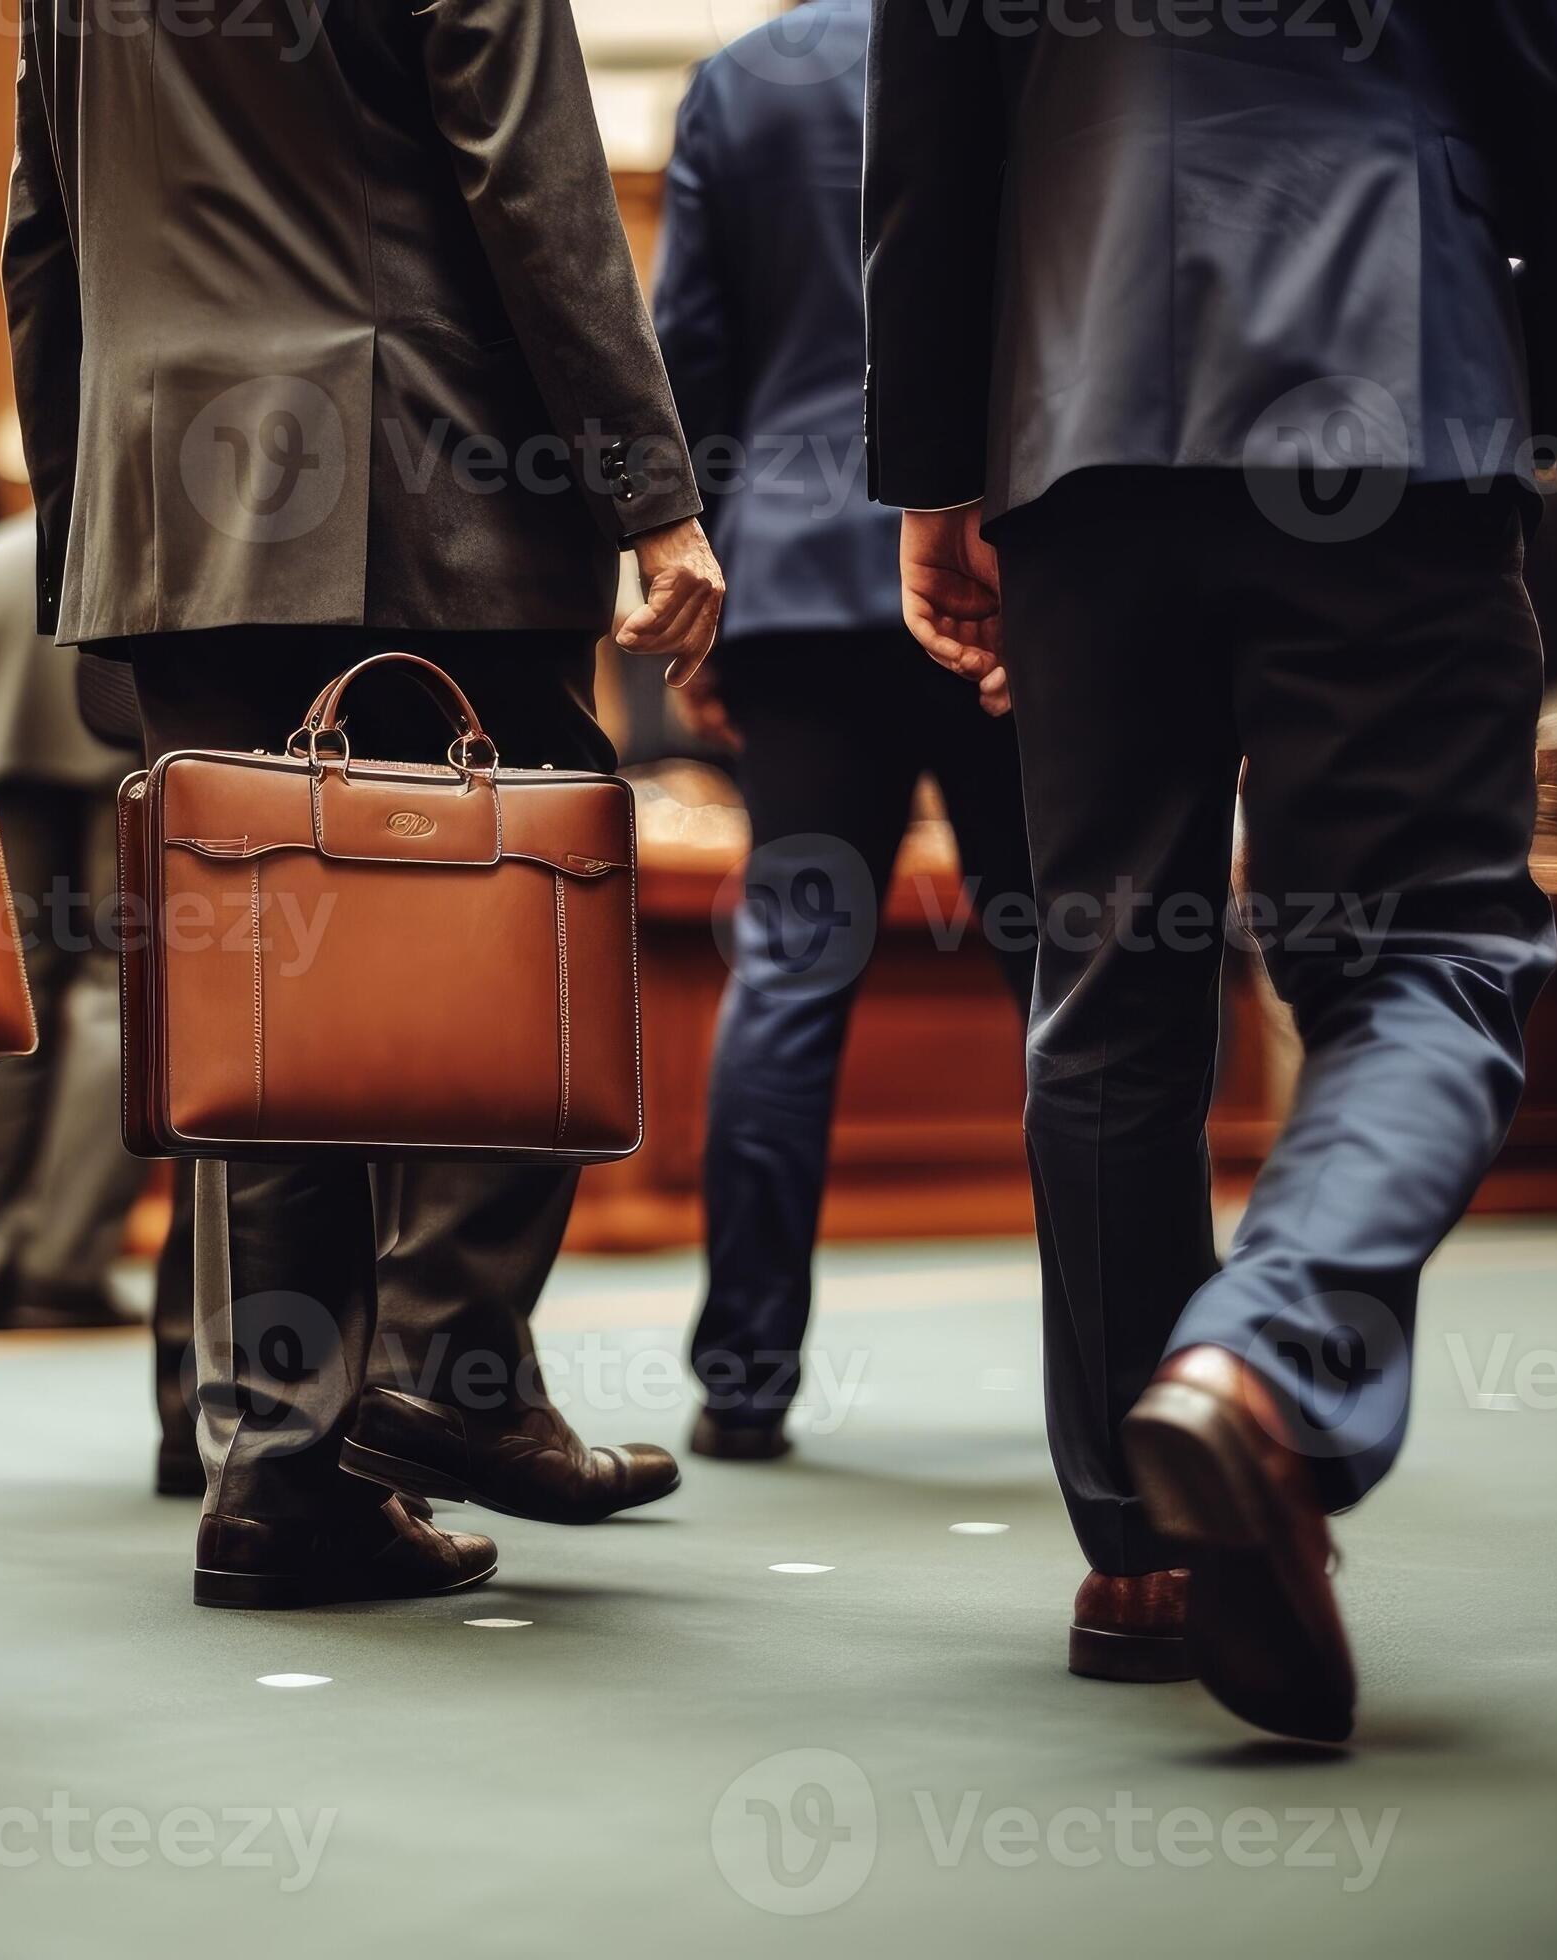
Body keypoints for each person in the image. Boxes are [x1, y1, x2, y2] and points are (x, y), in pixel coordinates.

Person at [866, 0, 1557, 1740]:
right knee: (1431, 949)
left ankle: (1144, 1548)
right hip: (1395, 371)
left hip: (1080, 413)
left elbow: (925, 143)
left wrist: (937, 478)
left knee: (1106, 982)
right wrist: (1530, 368)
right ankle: (1264, 1359)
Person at [7, 0, 724, 1606]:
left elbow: (42, 240)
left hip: (168, 505)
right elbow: (535, 184)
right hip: (421, 474)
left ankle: (279, 1477)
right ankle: (454, 1358)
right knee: (544, 879)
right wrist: (653, 497)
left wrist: (91, 539)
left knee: (270, 1000)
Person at [650, 0, 1038, 1472]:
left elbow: (694, 355)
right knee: (1070, 969)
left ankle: (744, 1376)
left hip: (802, 581)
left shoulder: (742, 81)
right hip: (1009, 561)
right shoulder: (1029, 44)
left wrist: (703, 597)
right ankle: (1139, 1350)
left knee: (791, 974)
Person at [0, 507, 148, 1331]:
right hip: (122, 772)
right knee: (119, 995)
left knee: (11, 1007)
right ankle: (61, 1265)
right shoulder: (138, 544)